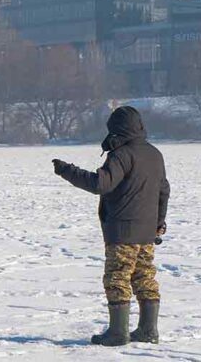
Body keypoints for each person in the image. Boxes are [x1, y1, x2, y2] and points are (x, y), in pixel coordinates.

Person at [51, 106, 169, 346]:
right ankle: (148, 330)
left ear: (118, 128)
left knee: (117, 277)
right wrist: (158, 222)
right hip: (147, 231)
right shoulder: (154, 154)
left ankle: (118, 333)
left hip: (123, 231)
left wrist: (67, 170)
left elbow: (100, 184)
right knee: (144, 276)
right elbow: (163, 191)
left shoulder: (121, 154)